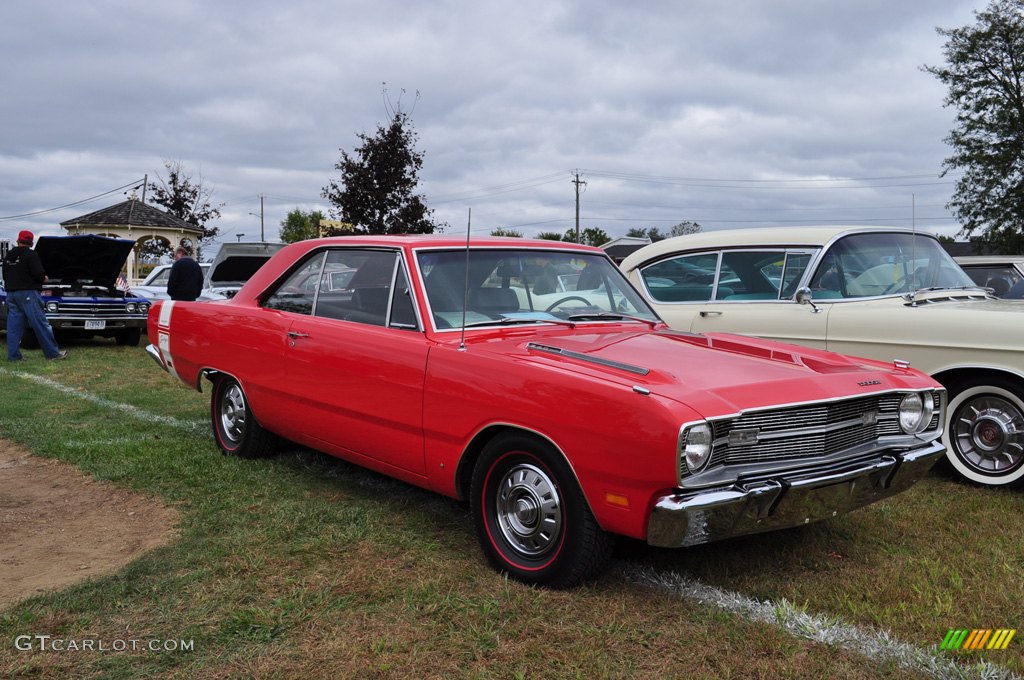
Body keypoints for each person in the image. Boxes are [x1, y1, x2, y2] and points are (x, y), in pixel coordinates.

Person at [2, 230, 67, 361]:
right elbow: (38, 274)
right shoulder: (31, 254)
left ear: (18, 241)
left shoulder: (8, 256)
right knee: (41, 323)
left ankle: (13, 356)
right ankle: (52, 353)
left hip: (11, 294)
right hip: (28, 294)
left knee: (14, 327)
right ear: (31, 243)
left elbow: (5, 275)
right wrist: (45, 278)